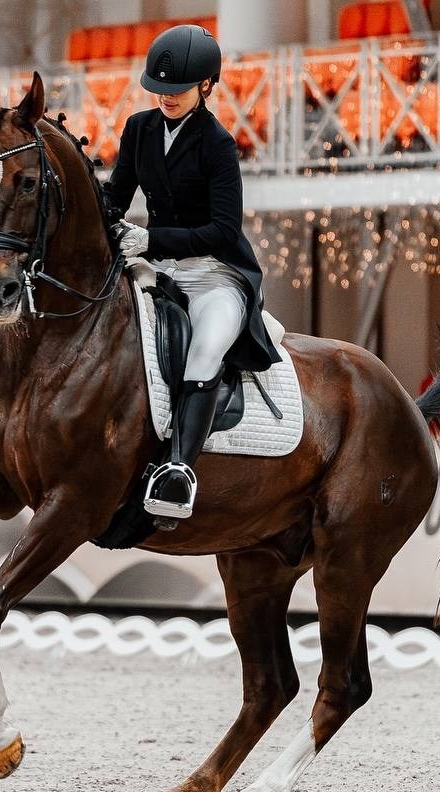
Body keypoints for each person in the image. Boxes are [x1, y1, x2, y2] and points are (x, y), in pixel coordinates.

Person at [102, 23, 282, 521]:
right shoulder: (139, 129)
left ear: (205, 86)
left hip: (214, 275)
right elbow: (115, 198)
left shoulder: (217, 145)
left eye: (176, 90)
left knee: (203, 352)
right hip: (156, 268)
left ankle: (178, 469)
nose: (166, 98)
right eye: (158, 90)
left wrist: (152, 238)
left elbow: (224, 230)